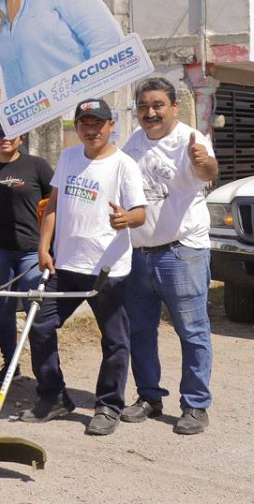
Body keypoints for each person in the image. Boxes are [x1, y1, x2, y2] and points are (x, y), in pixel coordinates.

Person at [21, 98, 146, 436]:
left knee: (114, 339)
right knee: (41, 325)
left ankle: (108, 406)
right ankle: (54, 396)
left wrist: (126, 218)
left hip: (108, 270)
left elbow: (140, 213)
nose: (91, 129)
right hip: (65, 265)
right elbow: (52, 207)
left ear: (110, 126)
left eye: (98, 123)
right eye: (85, 123)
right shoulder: (69, 157)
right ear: (77, 127)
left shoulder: (124, 165)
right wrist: (44, 248)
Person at [121, 77, 218, 435]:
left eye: (158, 105)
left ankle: (195, 405)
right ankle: (149, 396)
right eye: (144, 106)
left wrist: (203, 161)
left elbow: (208, 172)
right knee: (141, 331)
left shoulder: (191, 139)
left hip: (182, 253)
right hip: (139, 255)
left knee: (192, 331)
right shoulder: (132, 144)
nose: (150, 113)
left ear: (174, 106)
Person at [0, 118, 52, 385]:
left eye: (11, 134)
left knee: (37, 312)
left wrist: (50, 246)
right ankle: (10, 366)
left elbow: (53, 206)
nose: (4, 138)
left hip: (31, 253)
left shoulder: (37, 166)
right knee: (3, 311)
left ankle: (45, 373)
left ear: (21, 138)